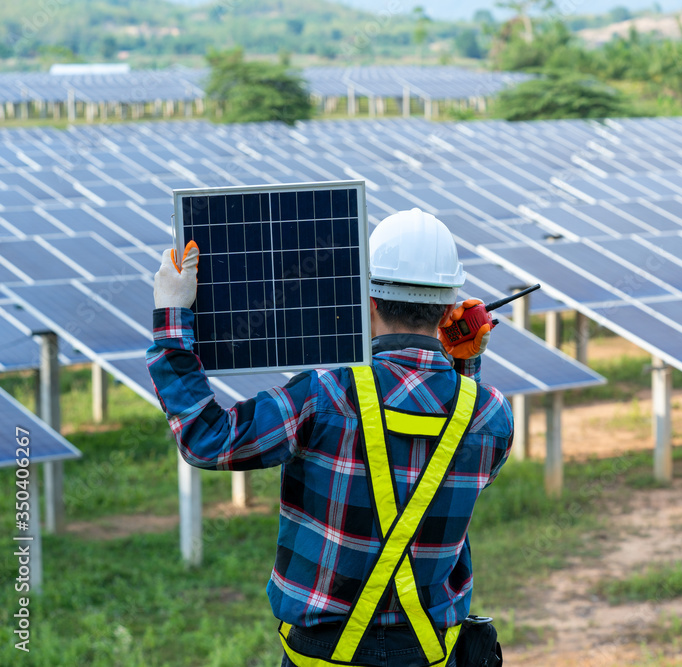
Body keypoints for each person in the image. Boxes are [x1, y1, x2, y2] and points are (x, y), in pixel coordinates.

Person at [146, 207, 512, 667]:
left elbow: (207, 437)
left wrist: (171, 318)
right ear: (449, 308)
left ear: (369, 299)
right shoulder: (490, 414)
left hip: (319, 653)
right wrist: (462, 362)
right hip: (428, 652)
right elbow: (450, 454)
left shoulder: (324, 394)